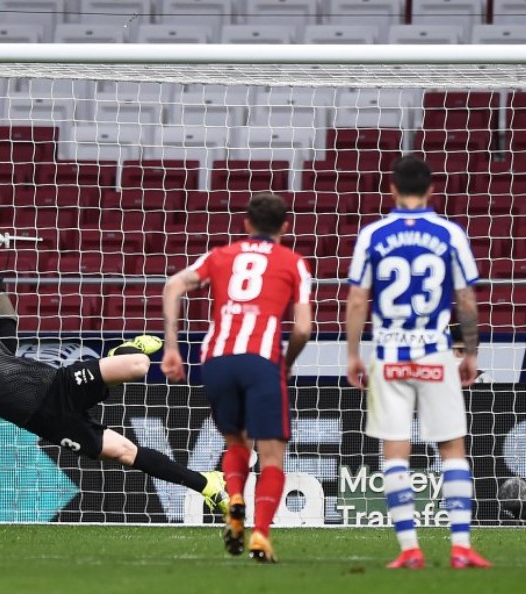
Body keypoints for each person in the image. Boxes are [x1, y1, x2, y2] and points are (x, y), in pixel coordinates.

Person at [0, 235, 229, 514]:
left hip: (56, 386)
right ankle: (207, 485)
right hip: (45, 423)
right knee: (125, 452)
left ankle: (123, 351)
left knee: (139, 365)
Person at [345, 155, 490, 569]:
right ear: (430, 190)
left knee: (396, 451)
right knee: (451, 447)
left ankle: (409, 548)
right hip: (435, 351)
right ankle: (461, 546)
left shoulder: (373, 234)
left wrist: (354, 353)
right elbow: (465, 299)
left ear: (392, 188)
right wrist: (472, 352)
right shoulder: (449, 233)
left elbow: (357, 298)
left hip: (388, 354)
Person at [161, 192, 313, 564]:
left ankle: (236, 501)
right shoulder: (293, 263)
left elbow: (173, 286)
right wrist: (286, 362)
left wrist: (171, 348)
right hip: (261, 360)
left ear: (245, 224)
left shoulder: (221, 255)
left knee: (236, 443)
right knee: (272, 455)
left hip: (216, 360)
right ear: (285, 227)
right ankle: (260, 533)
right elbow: (304, 329)